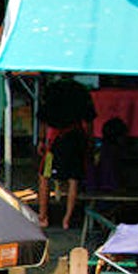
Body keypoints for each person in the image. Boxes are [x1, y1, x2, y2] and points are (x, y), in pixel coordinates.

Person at [36, 75, 96, 230]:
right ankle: (66, 220)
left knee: (45, 176)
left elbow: (42, 119)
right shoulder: (81, 90)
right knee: (73, 179)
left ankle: (43, 216)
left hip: (55, 142)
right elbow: (89, 121)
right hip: (76, 139)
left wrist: (42, 140)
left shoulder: (51, 89)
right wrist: (89, 142)